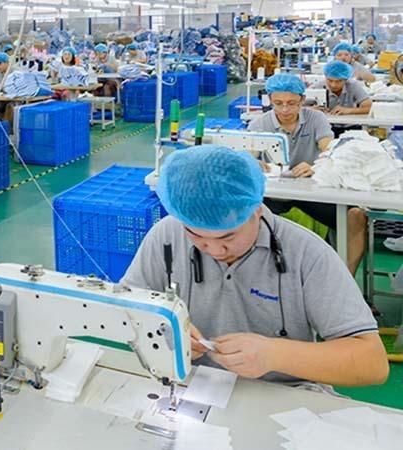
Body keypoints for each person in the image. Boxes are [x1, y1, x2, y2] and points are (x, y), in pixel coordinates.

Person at [121, 145, 389, 389]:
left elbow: (372, 363)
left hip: (284, 393)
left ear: (257, 210)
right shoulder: (167, 235)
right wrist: (162, 327)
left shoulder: (307, 253)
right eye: (196, 236)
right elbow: (125, 307)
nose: (214, 250)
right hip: (191, 383)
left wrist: (275, 355)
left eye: (228, 237)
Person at [247, 73, 367, 276]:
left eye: (292, 103)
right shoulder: (259, 124)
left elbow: (329, 150)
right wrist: (253, 163)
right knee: (244, 213)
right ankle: (259, 275)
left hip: (312, 191)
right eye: (278, 103)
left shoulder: (316, 119)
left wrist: (316, 166)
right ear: (270, 100)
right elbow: (249, 156)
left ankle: (346, 279)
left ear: (303, 99)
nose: (285, 110)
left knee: (355, 216)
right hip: (275, 193)